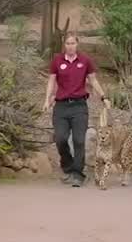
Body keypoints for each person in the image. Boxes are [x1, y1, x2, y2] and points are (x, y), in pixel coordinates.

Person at [42, 34, 110, 187]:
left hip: (79, 106)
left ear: (77, 44)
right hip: (61, 106)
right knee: (60, 139)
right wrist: (47, 100)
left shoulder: (85, 61)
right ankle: (68, 168)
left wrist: (104, 97)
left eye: (73, 43)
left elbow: (93, 80)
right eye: (67, 43)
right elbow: (51, 81)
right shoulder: (57, 60)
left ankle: (78, 174)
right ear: (64, 44)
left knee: (79, 140)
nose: (70, 46)